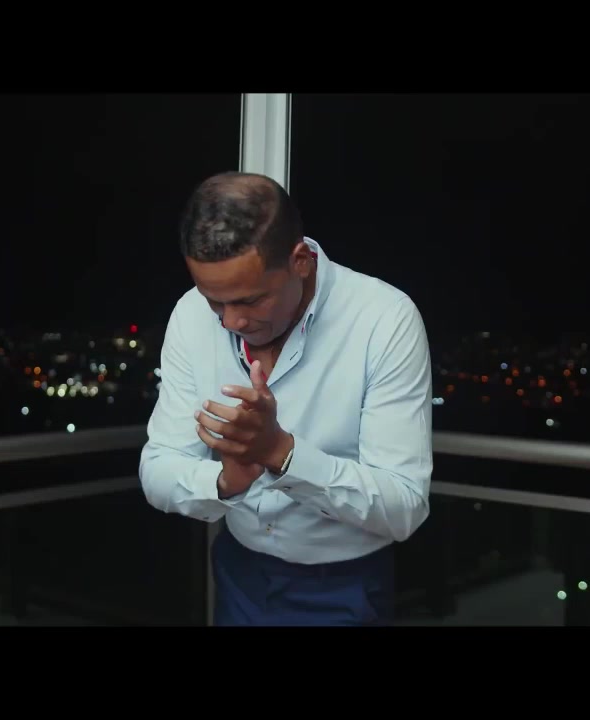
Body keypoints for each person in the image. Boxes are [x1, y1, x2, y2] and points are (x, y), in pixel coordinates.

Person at [139, 171, 434, 626]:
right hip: (239, 572)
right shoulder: (190, 314)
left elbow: (404, 508)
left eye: (250, 301)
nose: (230, 322)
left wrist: (282, 453)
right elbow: (157, 468)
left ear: (300, 261)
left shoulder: (384, 320)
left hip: (345, 587)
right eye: (215, 300)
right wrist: (227, 481)